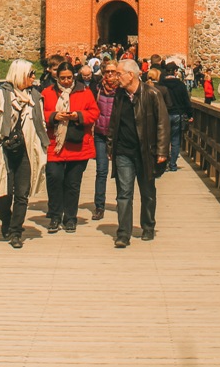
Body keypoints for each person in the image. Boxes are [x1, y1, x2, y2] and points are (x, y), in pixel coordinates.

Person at [0, 59, 48, 249]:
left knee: (22, 193)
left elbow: (40, 125)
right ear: (19, 75)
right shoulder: (1, 96)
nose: (34, 77)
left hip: (26, 149)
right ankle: (6, 219)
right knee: (5, 191)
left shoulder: (35, 97)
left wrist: (43, 145)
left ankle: (16, 232)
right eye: (30, 74)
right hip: (4, 149)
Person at [108, 58, 169, 247]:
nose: (116, 77)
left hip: (146, 151)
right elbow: (113, 122)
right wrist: (111, 146)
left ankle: (148, 226)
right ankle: (123, 233)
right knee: (124, 194)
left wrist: (161, 151)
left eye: (119, 74)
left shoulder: (151, 94)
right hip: (123, 152)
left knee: (147, 191)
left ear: (130, 75)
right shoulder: (119, 95)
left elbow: (162, 123)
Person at [41, 61, 99, 232]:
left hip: (77, 145)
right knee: (54, 179)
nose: (66, 81)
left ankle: (70, 218)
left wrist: (78, 115)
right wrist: (53, 116)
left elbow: (94, 112)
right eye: (62, 78)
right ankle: (55, 215)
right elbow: (39, 114)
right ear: (57, 77)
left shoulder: (85, 92)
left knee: (73, 184)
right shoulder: (47, 92)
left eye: (68, 77)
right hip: (55, 145)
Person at [90, 60, 120, 220]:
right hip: (101, 134)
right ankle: (99, 206)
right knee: (101, 171)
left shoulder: (122, 90)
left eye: (113, 71)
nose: (110, 74)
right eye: (107, 71)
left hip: (118, 136)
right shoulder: (98, 89)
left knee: (121, 171)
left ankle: (122, 202)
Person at [159, 62, 192, 172]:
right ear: (174, 71)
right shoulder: (181, 85)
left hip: (164, 114)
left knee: (164, 139)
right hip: (177, 114)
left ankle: (164, 163)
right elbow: (186, 101)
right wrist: (190, 114)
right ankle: (173, 164)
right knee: (175, 139)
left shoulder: (161, 84)